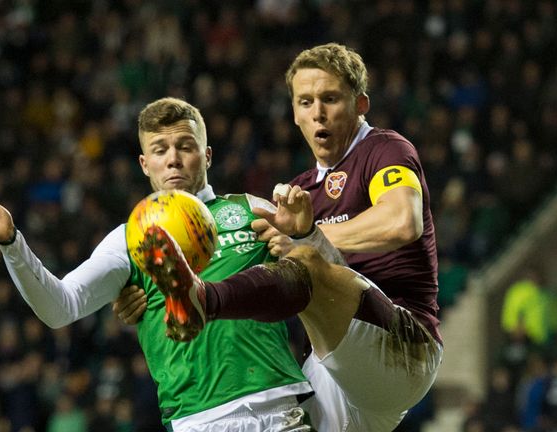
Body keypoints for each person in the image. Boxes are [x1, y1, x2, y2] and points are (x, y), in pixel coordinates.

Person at [116, 43, 443, 432]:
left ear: (360, 104)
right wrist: (148, 294)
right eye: (305, 102)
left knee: (304, 260)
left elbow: (401, 222)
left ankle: (206, 299)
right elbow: (251, 269)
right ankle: (198, 297)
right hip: (336, 370)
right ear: (294, 113)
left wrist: (309, 237)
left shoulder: (384, 150)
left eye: (330, 99)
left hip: (402, 345)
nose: (317, 112)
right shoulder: (300, 192)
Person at [0, 97, 315, 431]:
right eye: (160, 150)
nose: (173, 158)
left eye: (185, 146)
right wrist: (11, 243)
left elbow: (326, 275)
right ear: (145, 163)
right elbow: (60, 307)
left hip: (278, 405)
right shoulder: (130, 238)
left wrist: (299, 245)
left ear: (206, 156)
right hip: (197, 419)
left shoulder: (251, 209)